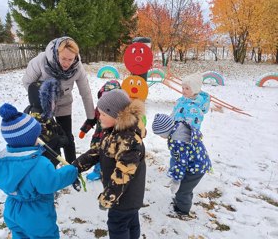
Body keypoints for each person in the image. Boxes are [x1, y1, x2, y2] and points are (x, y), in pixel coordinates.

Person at [0, 103, 78, 238]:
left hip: (12, 209)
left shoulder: (1, 160)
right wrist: (72, 170)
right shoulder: (39, 164)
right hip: (36, 214)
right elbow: (51, 182)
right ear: (30, 139)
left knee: (19, 235)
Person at [72, 89, 146, 239]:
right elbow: (99, 151)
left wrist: (107, 198)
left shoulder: (128, 140)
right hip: (127, 196)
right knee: (131, 222)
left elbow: (122, 175)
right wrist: (77, 165)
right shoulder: (113, 131)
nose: (99, 118)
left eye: (103, 114)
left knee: (118, 225)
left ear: (117, 115)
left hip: (124, 197)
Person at [22, 36, 95, 164]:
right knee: (48, 138)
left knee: (67, 137)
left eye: (70, 59)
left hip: (64, 103)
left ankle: (72, 169)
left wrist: (91, 117)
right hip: (43, 106)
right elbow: (28, 82)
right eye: (63, 59)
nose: (67, 63)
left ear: (76, 57)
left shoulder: (77, 68)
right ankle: (52, 170)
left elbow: (86, 92)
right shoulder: (41, 61)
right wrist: (40, 99)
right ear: (57, 53)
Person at [152, 113, 212, 216]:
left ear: (166, 131)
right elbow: (179, 159)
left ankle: (182, 211)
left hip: (196, 168)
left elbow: (181, 162)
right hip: (196, 163)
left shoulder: (178, 141)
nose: (161, 137)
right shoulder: (179, 127)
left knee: (182, 190)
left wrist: (176, 179)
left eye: (161, 134)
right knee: (186, 188)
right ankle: (183, 201)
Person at [79, 80, 121, 181]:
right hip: (98, 137)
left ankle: (112, 170)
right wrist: (84, 130)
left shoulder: (120, 111)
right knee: (97, 154)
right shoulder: (99, 109)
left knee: (111, 155)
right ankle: (98, 171)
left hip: (113, 139)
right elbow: (92, 119)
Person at [24, 78, 69, 168]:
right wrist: (60, 140)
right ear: (42, 102)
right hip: (46, 163)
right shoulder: (37, 121)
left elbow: (56, 127)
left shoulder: (44, 114)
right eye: (52, 101)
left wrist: (61, 134)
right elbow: (46, 142)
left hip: (52, 159)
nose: (55, 103)